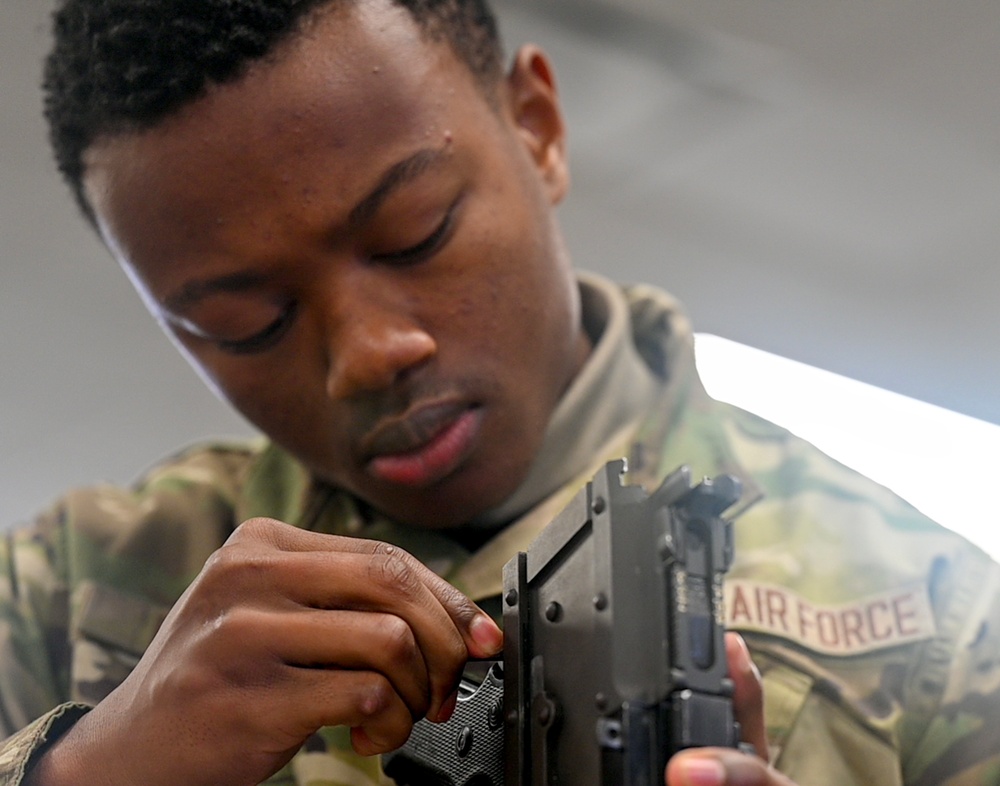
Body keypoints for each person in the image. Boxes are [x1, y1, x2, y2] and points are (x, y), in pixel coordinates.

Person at [2, 0, 999, 784]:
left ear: (538, 127)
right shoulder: (63, 599)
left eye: (416, 232)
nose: (368, 355)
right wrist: (88, 771)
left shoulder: (939, 626)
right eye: (244, 322)